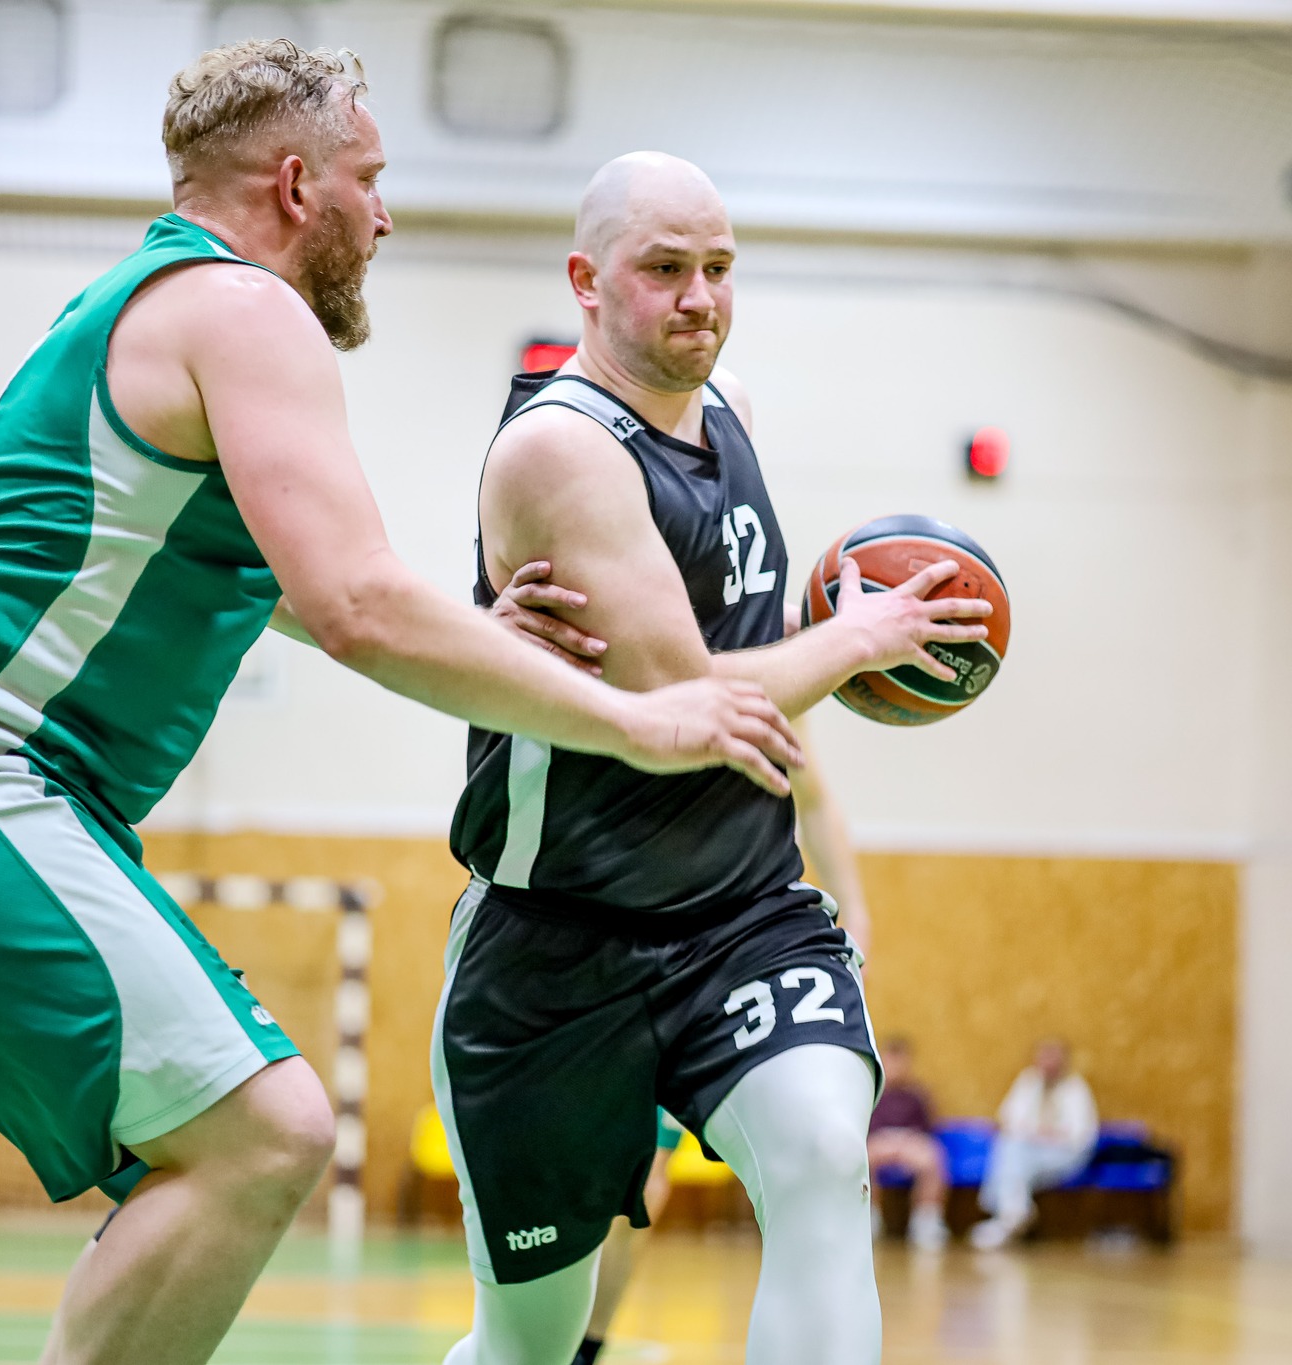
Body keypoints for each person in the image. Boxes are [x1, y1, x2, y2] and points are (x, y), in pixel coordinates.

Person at [0, 45, 800, 1365]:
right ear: (299, 185)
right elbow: (359, 601)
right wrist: (642, 721)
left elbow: (276, 581)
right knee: (265, 1131)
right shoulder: (244, 310)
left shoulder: (144, 298)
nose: (386, 215)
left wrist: (477, 639)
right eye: (371, 179)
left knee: (239, 1138)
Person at [436, 150, 992, 1365]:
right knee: (532, 1344)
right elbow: (680, 696)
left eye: (719, 267)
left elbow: (750, 686)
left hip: (739, 913)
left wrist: (833, 639)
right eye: (663, 269)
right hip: (554, 943)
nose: (699, 296)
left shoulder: (725, 404)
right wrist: (858, 638)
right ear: (585, 281)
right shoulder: (558, 450)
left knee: (819, 1159)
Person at [576, 704, 875, 1365]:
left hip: (721, 951)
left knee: (646, 1190)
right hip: (603, 941)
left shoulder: (767, 668)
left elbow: (812, 795)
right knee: (595, 1190)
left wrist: (856, 913)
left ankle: (586, 1349)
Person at [969, 1038, 1097, 1251]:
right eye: (1044, 1057)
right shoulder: (1028, 1082)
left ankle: (1010, 1217)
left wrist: (1048, 1134)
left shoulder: (1075, 1088)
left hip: (1063, 1154)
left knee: (1011, 1155)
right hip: (1026, 1150)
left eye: (1053, 1057)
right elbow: (1007, 1120)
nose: (1048, 1063)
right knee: (1009, 1147)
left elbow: (1082, 1135)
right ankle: (1014, 1214)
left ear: (1064, 1060)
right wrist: (1032, 1132)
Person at [867, 1037, 948, 1252]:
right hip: (880, 1143)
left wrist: (905, 1141)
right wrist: (888, 1141)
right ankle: (868, 1218)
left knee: (932, 1158)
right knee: (862, 1158)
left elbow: (927, 1129)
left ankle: (926, 1221)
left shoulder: (917, 1095)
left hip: (910, 1143)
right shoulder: (871, 1091)